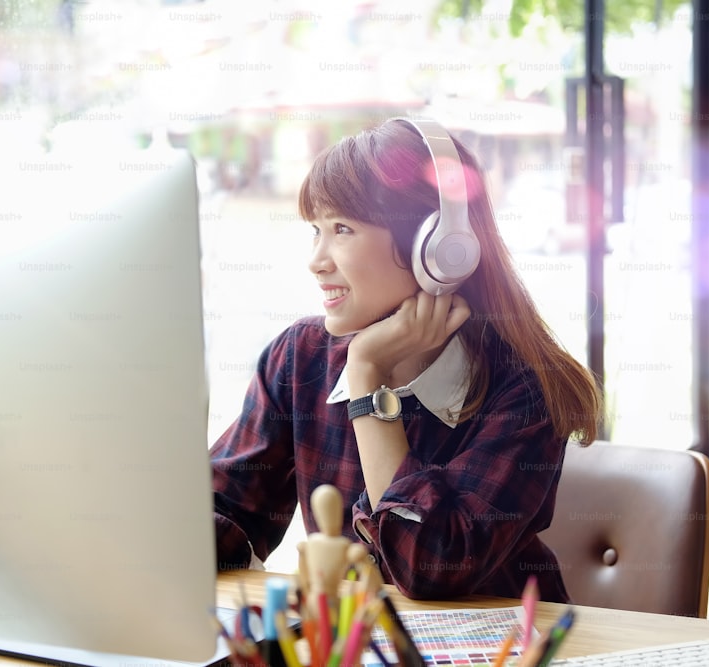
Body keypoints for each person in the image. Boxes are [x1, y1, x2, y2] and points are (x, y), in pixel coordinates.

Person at [210, 118, 603, 602]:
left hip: (500, 651)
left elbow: (430, 566)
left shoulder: (524, 388)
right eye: (316, 230)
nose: (317, 259)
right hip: (354, 647)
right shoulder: (300, 358)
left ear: (439, 246)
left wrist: (367, 376)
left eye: (342, 229)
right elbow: (227, 512)